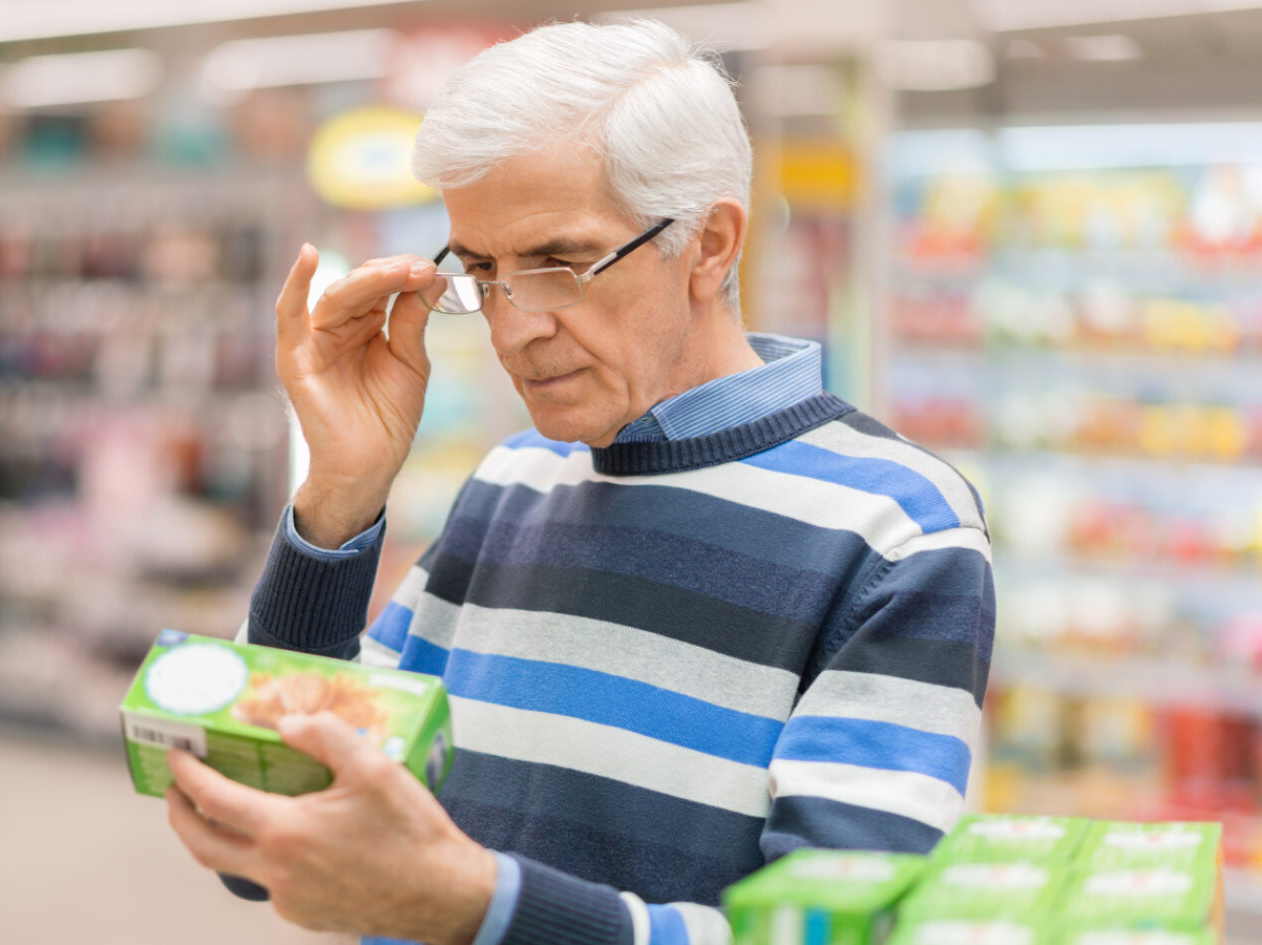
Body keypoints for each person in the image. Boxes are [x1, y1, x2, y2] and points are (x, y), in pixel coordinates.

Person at [162, 18, 993, 945]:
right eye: (481, 270)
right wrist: (338, 497)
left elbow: (839, 934)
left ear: (711, 243)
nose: (514, 330)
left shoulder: (897, 530)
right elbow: (264, 815)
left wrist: (475, 906)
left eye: (557, 265)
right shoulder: (515, 480)